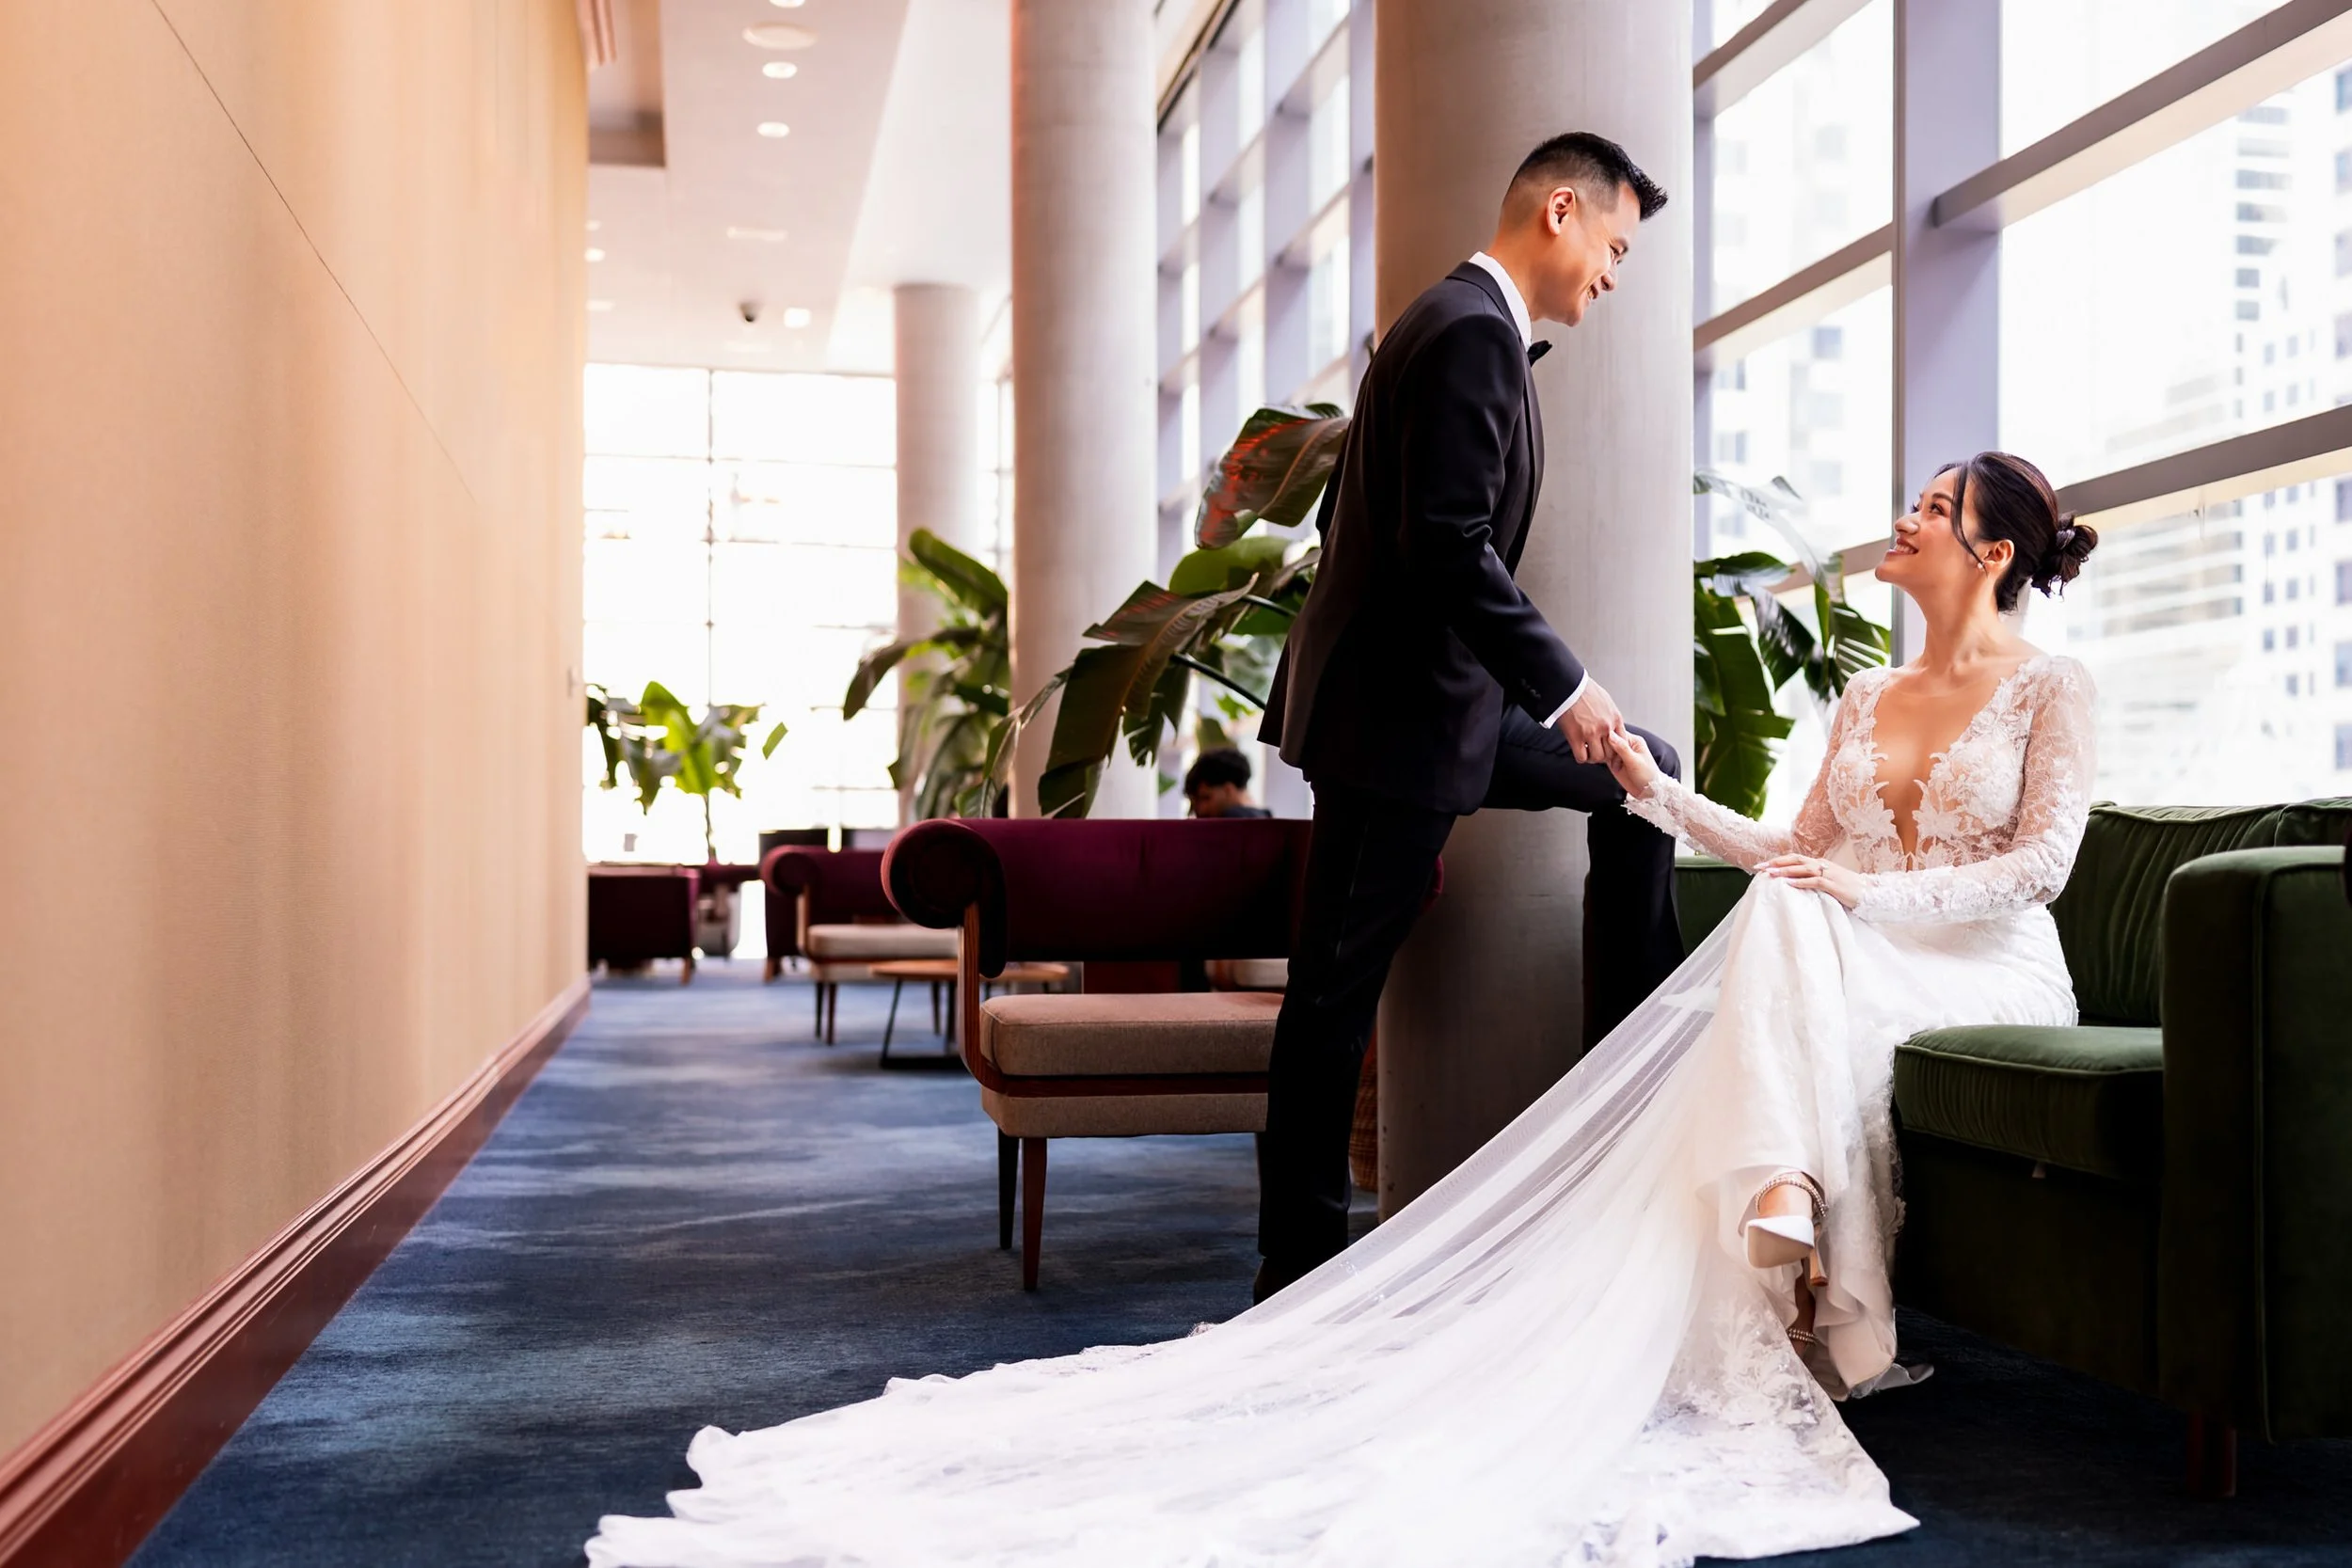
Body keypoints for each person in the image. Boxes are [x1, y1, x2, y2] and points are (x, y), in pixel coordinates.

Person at [586, 451, 2101, 1566]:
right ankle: (1776, 1192)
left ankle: (1775, 1197)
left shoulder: (2052, 688)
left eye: (1933, 503)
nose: (1904, 514)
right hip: (1840, 936)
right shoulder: (1860, 705)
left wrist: (1860, 898)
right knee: (1780, 896)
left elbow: (2037, 867)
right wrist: (1655, 789)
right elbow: (1790, 854)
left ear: (1992, 550)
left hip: (1973, 958)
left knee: (1797, 914)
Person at [1251, 131, 1681, 1300]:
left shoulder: (1460, 328)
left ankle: (1629, 1079)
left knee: (1645, 774)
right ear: (1559, 210)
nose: (1613, 272)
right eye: (1614, 243)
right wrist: (1569, 688)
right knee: (1333, 996)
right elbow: (1443, 546)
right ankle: (1291, 1281)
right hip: (1398, 727)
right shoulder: (1468, 335)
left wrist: (1566, 707)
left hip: (1446, 707)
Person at [1184, 747, 1272, 818]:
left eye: (1206, 798)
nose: (1200, 810)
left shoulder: (1232, 819)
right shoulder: (1267, 821)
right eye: (1194, 803)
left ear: (1229, 790)